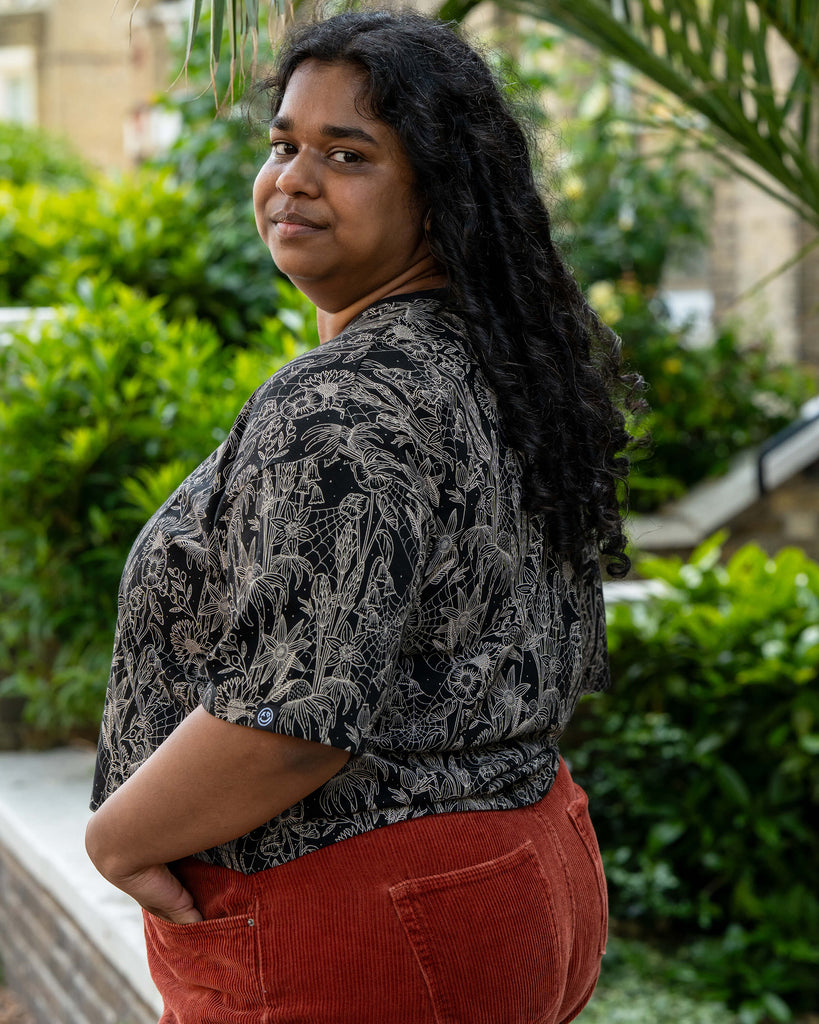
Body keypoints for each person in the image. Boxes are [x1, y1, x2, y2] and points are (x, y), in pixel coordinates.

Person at [86, 10, 637, 1023]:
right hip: (520, 855)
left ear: (441, 194)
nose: (293, 178)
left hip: (360, 910)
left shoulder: (345, 400)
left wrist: (115, 840)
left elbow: (293, 724)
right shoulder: (498, 363)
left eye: (348, 154)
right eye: (284, 143)